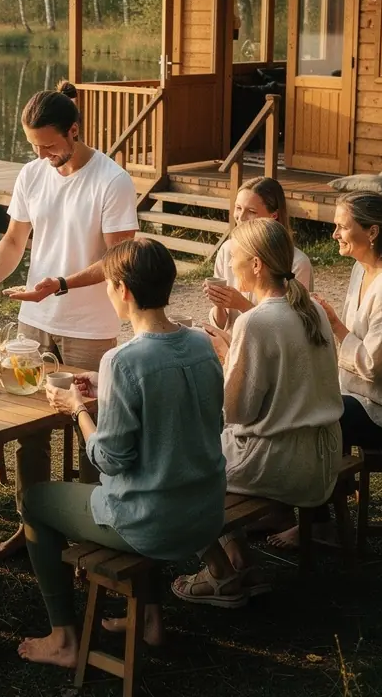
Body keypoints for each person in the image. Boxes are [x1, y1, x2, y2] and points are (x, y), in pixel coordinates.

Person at [17, 238, 227, 666]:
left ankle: (63, 638)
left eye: (109, 286)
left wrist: (78, 411)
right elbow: (172, 412)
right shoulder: (203, 345)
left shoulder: (123, 361)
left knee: (33, 500)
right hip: (205, 514)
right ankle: (148, 619)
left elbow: (111, 460)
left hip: (153, 522)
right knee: (132, 485)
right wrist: (107, 394)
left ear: (123, 290)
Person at [0, 81, 139, 559]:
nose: (42, 155)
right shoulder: (33, 174)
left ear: (75, 131)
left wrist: (59, 284)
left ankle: (88, 530)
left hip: (90, 325)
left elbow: (119, 258)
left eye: (50, 146)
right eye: (34, 146)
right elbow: (15, 241)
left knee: (92, 434)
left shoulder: (112, 181)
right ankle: (32, 525)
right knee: (28, 432)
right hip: (33, 323)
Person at [171, 219, 342, 605]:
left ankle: (219, 572)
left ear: (257, 266)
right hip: (323, 456)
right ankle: (239, 557)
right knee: (205, 451)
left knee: (179, 462)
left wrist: (224, 357)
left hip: (280, 460)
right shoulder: (312, 307)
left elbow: (238, 411)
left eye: (234, 259)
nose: (230, 269)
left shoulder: (256, 321)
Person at [271, 191, 382, 548]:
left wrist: (333, 324)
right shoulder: (362, 270)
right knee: (307, 399)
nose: (334, 234)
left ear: (372, 232)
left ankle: (320, 522)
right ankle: (311, 508)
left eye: (342, 227)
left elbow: (376, 366)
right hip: (362, 396)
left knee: (321, 418)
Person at [205, 176, 313, 331]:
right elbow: (221, 326)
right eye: (238, 208)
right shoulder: (227, 250)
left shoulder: (297, 262)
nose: (241, 218)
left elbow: (293, 330)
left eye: (251, 211)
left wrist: (242, 304)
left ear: (274, 215)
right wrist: (219, 303)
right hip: (231, 347)